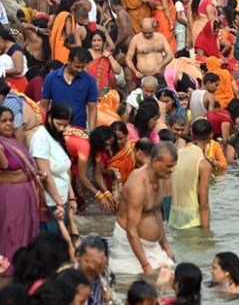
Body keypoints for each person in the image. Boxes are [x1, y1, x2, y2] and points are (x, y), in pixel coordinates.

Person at [0, 106, 43, 273]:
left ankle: (21, 266)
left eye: (11, 120)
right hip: (7, 195)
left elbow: (26, 168)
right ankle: (4, 268)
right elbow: (4, 164)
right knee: (8, 231)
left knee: (22, 233)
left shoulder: (14, 142)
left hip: (23, 195)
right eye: (4, 121)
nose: (9, 124)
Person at [111, 142, 177, 275]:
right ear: (155, 162)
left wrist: (166, 247)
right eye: (168, 166)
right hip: (130, 244)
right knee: (138, 284)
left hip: (153, 246)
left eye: (173, 166)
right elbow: (131, 229)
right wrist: (145, 265)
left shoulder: (162, 177)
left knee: (170, 275)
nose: (171, 170)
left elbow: (157, 212)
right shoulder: (138, 185)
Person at [30, 101, 73, 234]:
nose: (61, 128)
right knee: (52, 241)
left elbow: (66, 171)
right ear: (49, 118)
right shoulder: (41, 139)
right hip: (50, 202)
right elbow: (45, 174)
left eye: (65, 125)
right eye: (59, 124)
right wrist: (58, 201)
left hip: (61, 198)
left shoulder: (57, 136)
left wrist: (71, 197)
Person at [40, 47, 98, 131]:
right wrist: (44, 127)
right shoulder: (51, 78)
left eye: (83, 67)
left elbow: (92, 109)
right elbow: (44, 106)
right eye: (77, 66)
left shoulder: (90, 81)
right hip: (55, 128)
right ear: (68, 61)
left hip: (78, 128)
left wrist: (92, 134)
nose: (80, 70)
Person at [169, 118, 214, 230]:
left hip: (175, 218)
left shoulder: (178, 153)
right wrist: (206, 235)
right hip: (192, 221)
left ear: (191, 133)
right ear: (211, 136)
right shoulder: (204, 164)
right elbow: (203, 205)